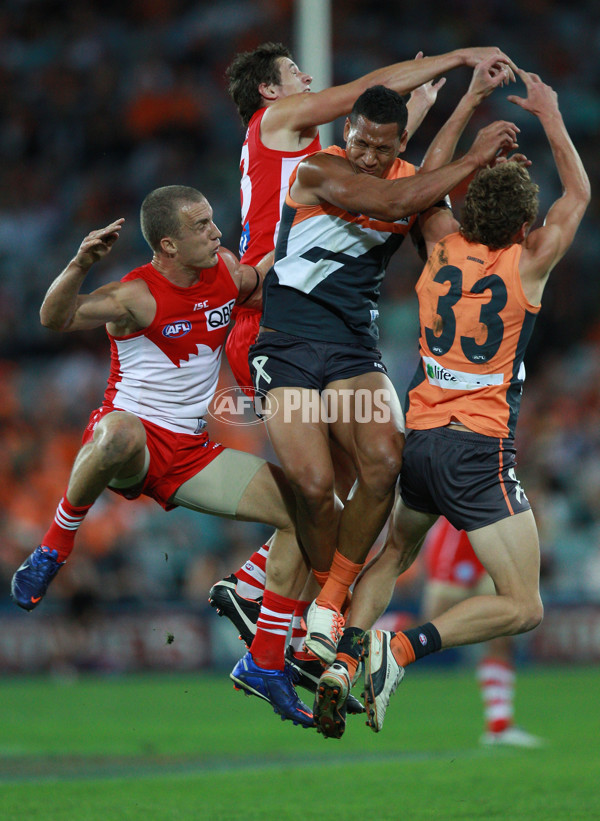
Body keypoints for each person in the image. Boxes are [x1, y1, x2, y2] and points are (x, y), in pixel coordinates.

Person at [210, 41, 515, 652]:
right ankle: (312, 600)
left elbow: (416, 179)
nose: (310, 78)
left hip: (348, 347)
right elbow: (396, 190)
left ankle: (292, 601)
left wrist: (465, 103)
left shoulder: (380, 160)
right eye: (296, 73)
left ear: (399, 144)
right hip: (280, 330)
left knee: (376, 465)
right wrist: (455, 66)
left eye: (385, 145)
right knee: (317, 486)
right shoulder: (311, 160)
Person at [317, 69, 590, 737]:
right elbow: (579, 193)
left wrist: (469, 121)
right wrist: (551, 116)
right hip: (477, 447)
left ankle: (343, 660)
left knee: (394, 555)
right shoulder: (528, 264)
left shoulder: (439, 242)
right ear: (527, 224)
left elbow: (420, 180)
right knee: (523, 605)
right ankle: (397, 649)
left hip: (422, 439)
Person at [9, 185, 314, 728]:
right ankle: (54, 547)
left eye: (213, 222)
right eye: (201, 226)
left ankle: (264, 661)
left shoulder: (223, 270)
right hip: (128, 440)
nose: (217, 233)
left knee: (304, 511)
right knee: (120, 432)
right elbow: (54, 317)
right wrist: (79, 262)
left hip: (189, 453)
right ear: (168, 244)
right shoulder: (135, 296)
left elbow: (261, 277)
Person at [422, 517, 544, 747]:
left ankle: (499, 725)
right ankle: (371, 634)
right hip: (459, 536)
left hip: (492, 539)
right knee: (428, 630)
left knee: (505, 626)